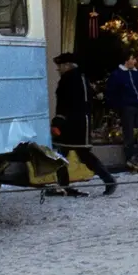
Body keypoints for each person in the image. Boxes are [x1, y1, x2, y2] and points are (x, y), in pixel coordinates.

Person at [51, 53, 117, 196]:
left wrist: (58, 121)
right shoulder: (81, 77)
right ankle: (65, 186)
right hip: (80, 122)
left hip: (72, 124)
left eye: (60, 66)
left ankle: (108, 179)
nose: (59, 69)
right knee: (66, 154)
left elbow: (65, 104)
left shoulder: (68, 79)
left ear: (67, 65)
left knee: (69, 155)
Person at [104, 51, 138, 173]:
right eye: (132, 59)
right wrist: (118, 106)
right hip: (127, 107)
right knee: (128, 136)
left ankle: (136, 159)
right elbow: (110, 92)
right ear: (126, 60)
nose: (134, 61)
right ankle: (131, 161)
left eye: (135, 59)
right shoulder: (117, 75)